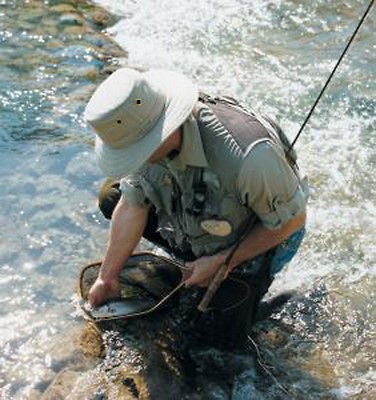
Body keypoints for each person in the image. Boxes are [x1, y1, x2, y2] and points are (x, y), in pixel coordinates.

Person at [84, 67, 308, 346]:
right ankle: (197, 259)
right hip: (205, 213)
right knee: (112, 196)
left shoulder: (249, 156)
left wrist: (221, 262)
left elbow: (293, 220)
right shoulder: (139, 130)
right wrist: (108, 276)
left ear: (162, 132)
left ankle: (266, 297)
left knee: (216, 343)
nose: (132, 159)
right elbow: (132, 204)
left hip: (270, 229)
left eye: (134, 152)